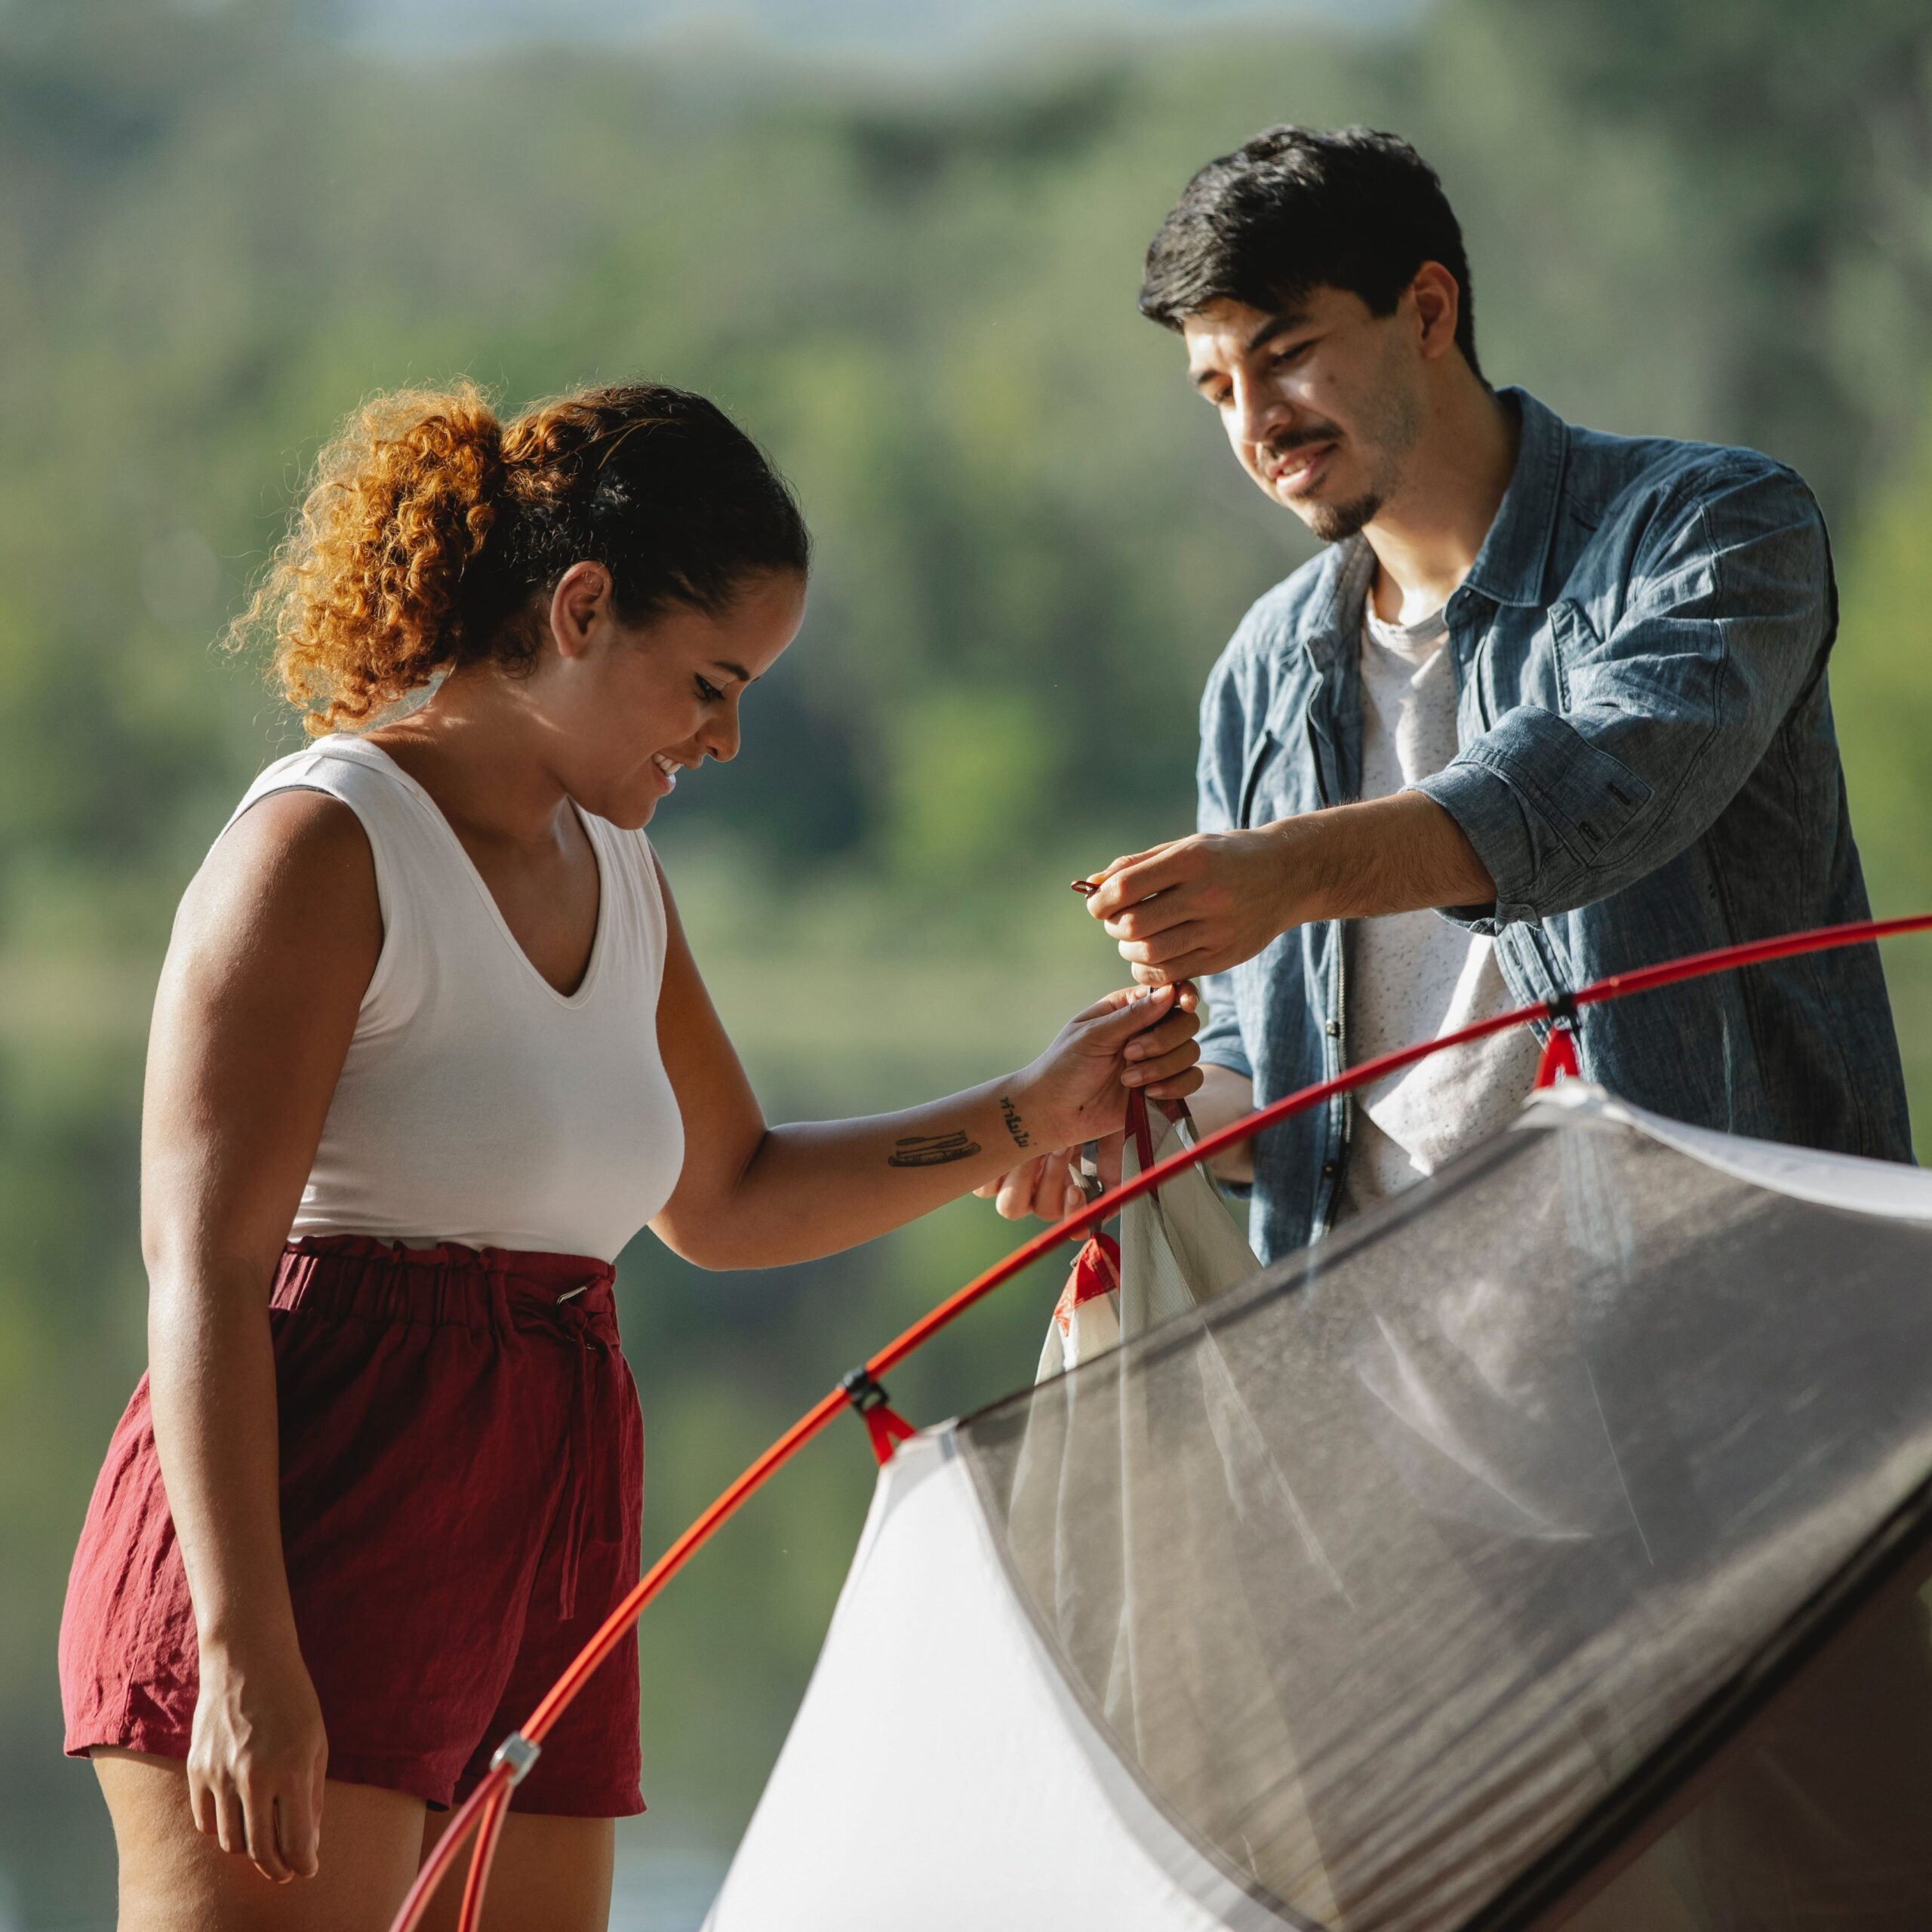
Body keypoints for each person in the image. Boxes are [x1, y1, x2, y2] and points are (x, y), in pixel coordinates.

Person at [57, 379, 1202, 1931]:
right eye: (708, 684)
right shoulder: (320, 848)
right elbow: (201, 1269)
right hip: (305, 1519)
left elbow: (725, 1198)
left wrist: (1028, 1108)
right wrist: (246, 1645)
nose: (723, 738)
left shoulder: (621, 872)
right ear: (581, 608)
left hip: (547, 1518)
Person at [985, 124, 1910, 1260]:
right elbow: (1261, 1077)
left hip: (1725, 1338)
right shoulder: (1262, 666)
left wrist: (1286, 875)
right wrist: (1134, 1130)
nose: (1255, 424)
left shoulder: (1713, 527)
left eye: (1287, 355)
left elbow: (1586, 797)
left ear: (1427, 311)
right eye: (1217, 387)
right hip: (1380, 1381)